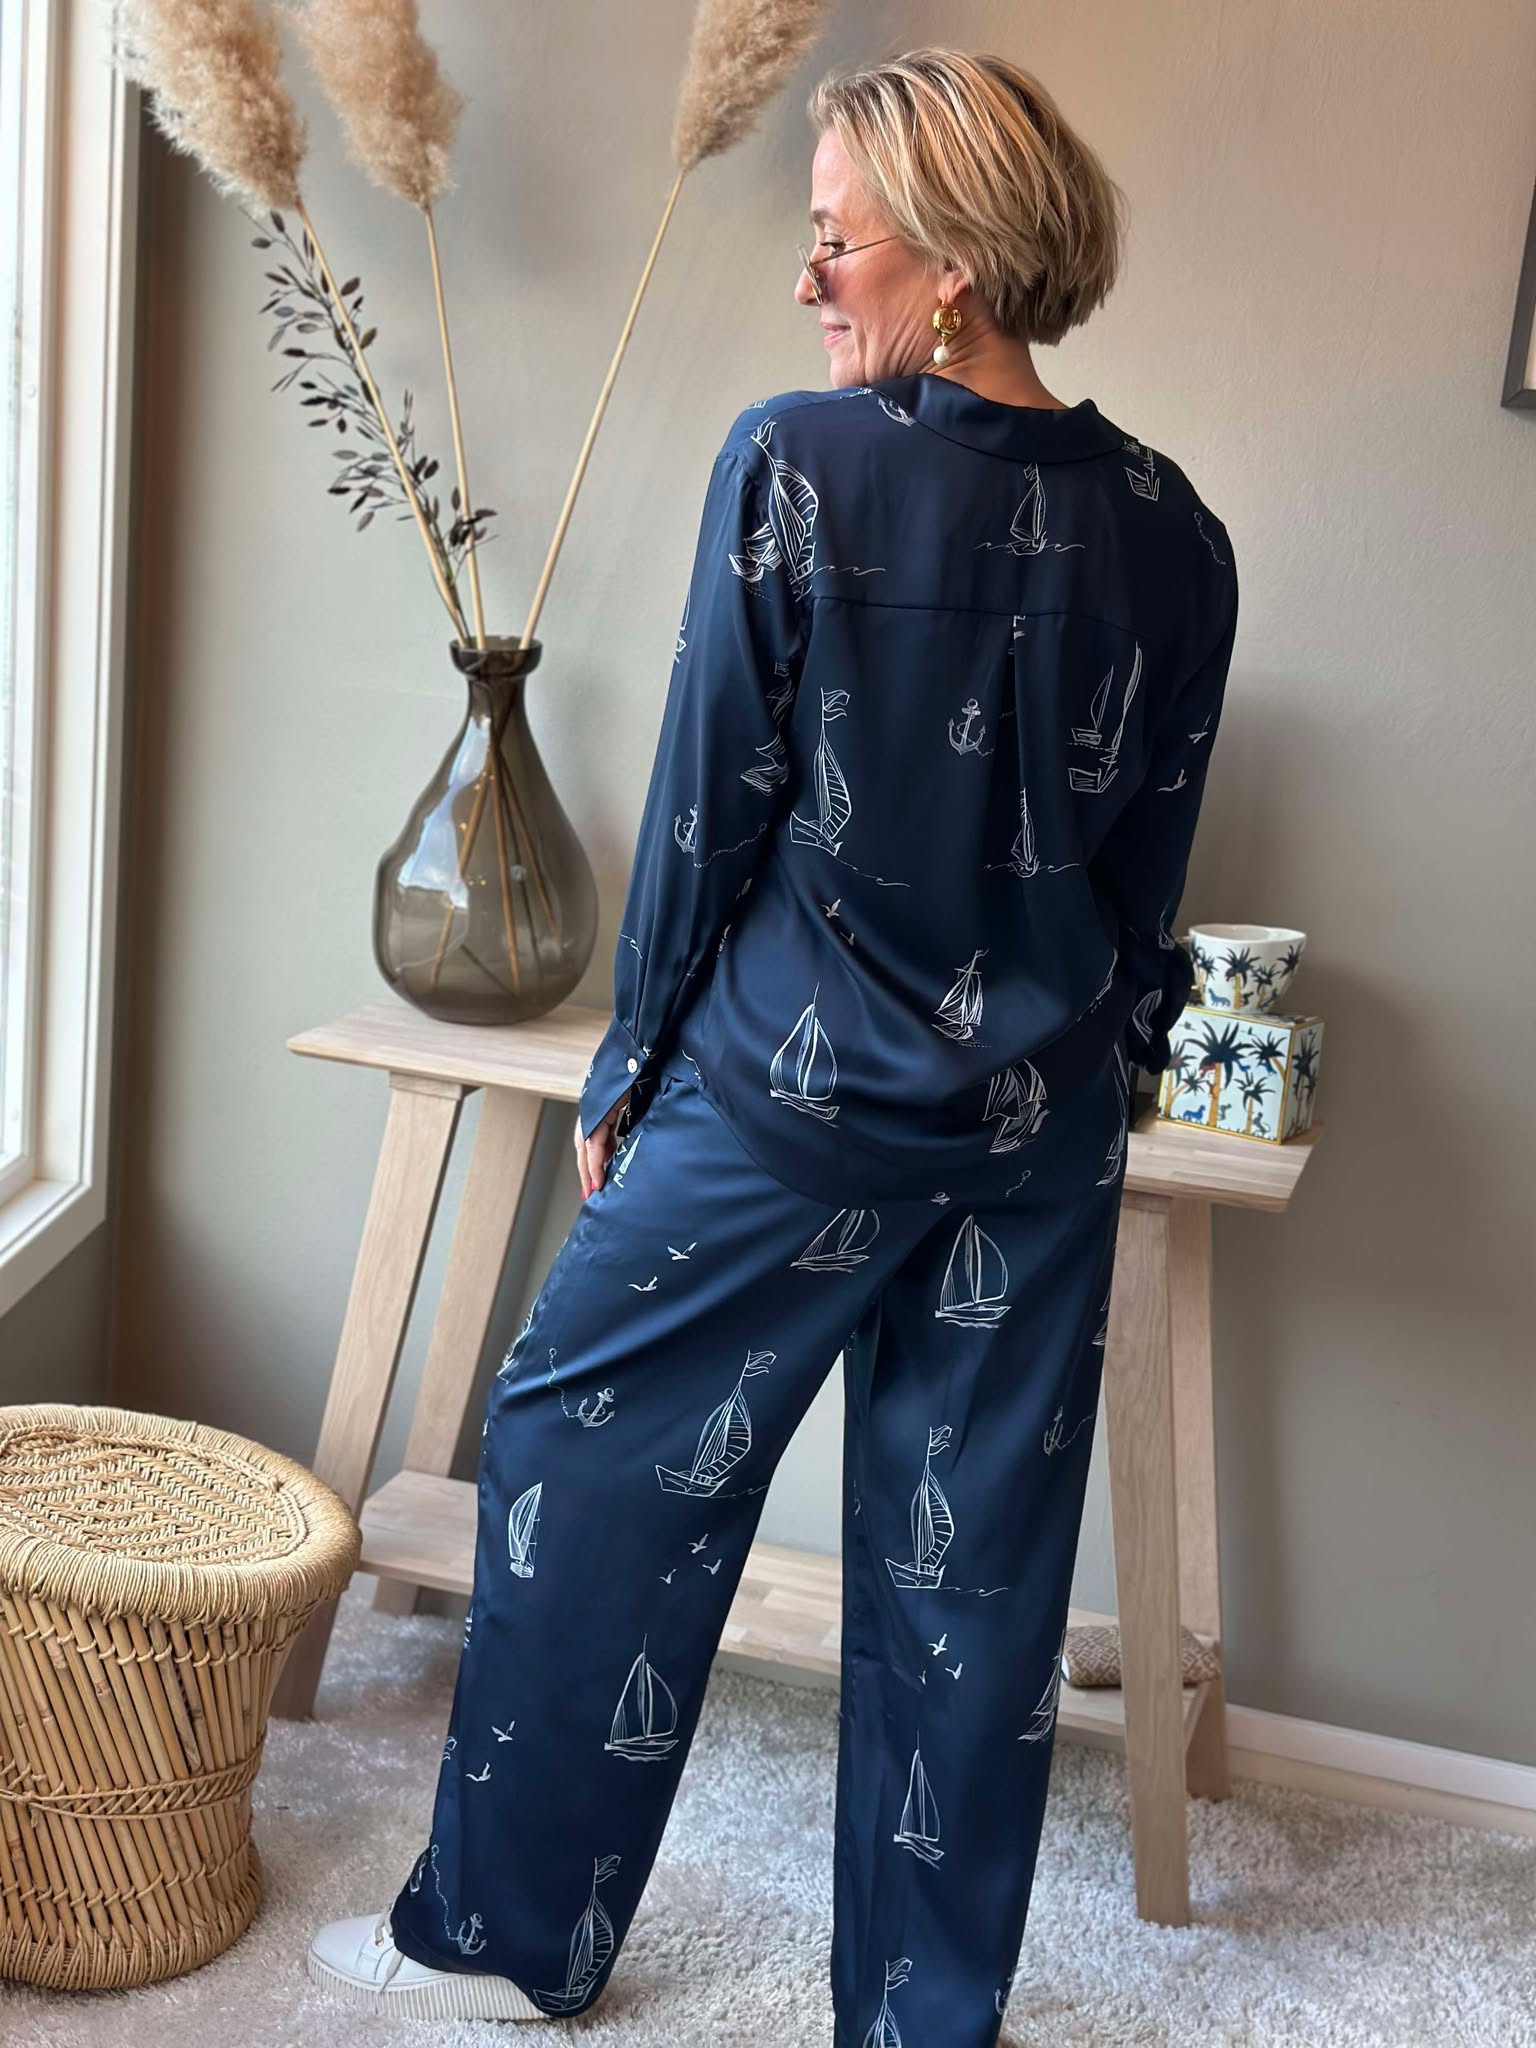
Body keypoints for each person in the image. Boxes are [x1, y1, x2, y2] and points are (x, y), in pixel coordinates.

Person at [306, 45, 1238, 2046]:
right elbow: (1145, 878)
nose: (809, 281)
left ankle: (516, 1929)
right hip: (1040, 1124)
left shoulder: (796, 464)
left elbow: (707, 811)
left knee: (575, 1443)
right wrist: (1101, 1067)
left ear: (957, 262)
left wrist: (630, 1060)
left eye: (836, 241)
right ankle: (918, 2024)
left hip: (789, 1103)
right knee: (972, 1591)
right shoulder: (1181, 533)